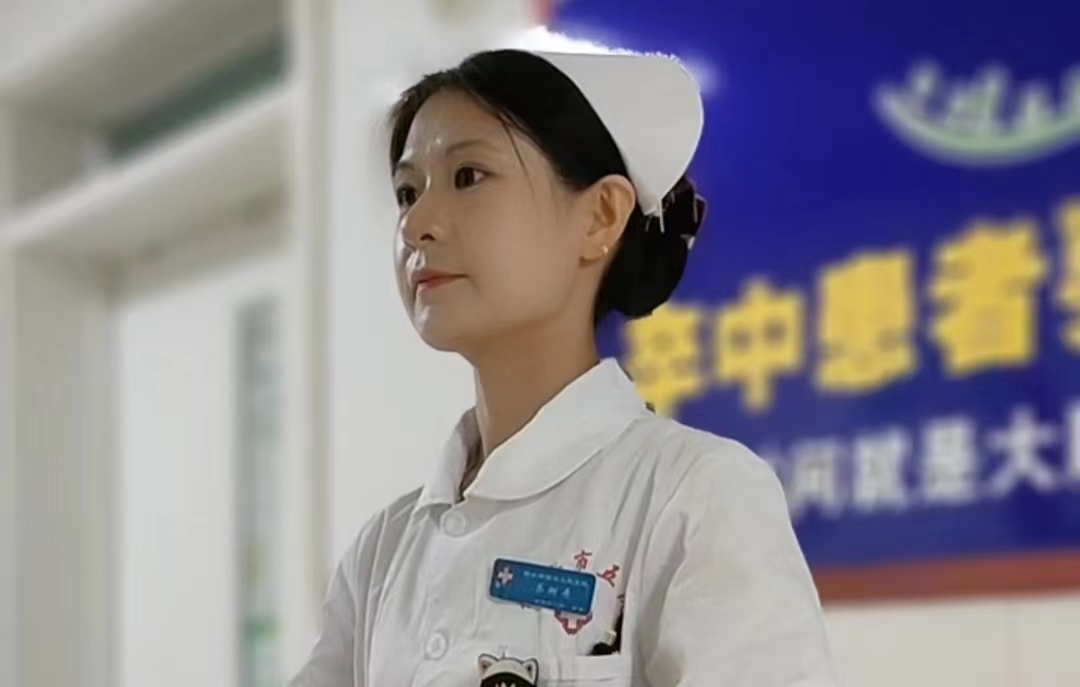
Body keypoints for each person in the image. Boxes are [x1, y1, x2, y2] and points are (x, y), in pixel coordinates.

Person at [290, 46, 837, 687]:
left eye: (468, 176)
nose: (417, 226)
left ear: (601, 216)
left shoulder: (694, 497)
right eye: (408, 192)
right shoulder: (381, 555)